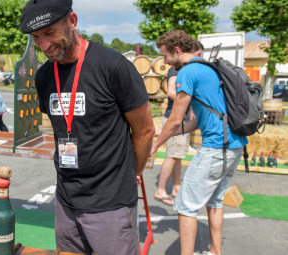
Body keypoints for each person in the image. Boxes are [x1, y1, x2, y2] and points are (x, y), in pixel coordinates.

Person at [20, 1, 155, 254]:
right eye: (36, 38)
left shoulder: (112, 65)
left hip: (110, 203)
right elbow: (64, 126)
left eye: (50, 33)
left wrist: (132, 172)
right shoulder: (44, 76)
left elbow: (145, 130)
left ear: (72, 21)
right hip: (66, 200)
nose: (44, 45)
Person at [151, 30, 247, 255]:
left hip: (214, 149)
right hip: (234, 146)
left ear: (177, 51)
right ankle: (215, 251)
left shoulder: (188, 72)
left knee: (185, 206)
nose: (164, 62)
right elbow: (196, 122)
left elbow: (175, 119)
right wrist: (163, 133)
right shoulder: (209, 69)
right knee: (215, 201)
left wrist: (155, 146)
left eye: (165, 56)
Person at [154, 41, 203, 205]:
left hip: (182, 118)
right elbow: (171, 92)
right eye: (199, 55)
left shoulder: (183, 68)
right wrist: (189, 100)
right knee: (172, 156)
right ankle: (161, 190)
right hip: (175, 117)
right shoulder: (176, 69)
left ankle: (176, 187)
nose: (199, 58)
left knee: (178, 155)